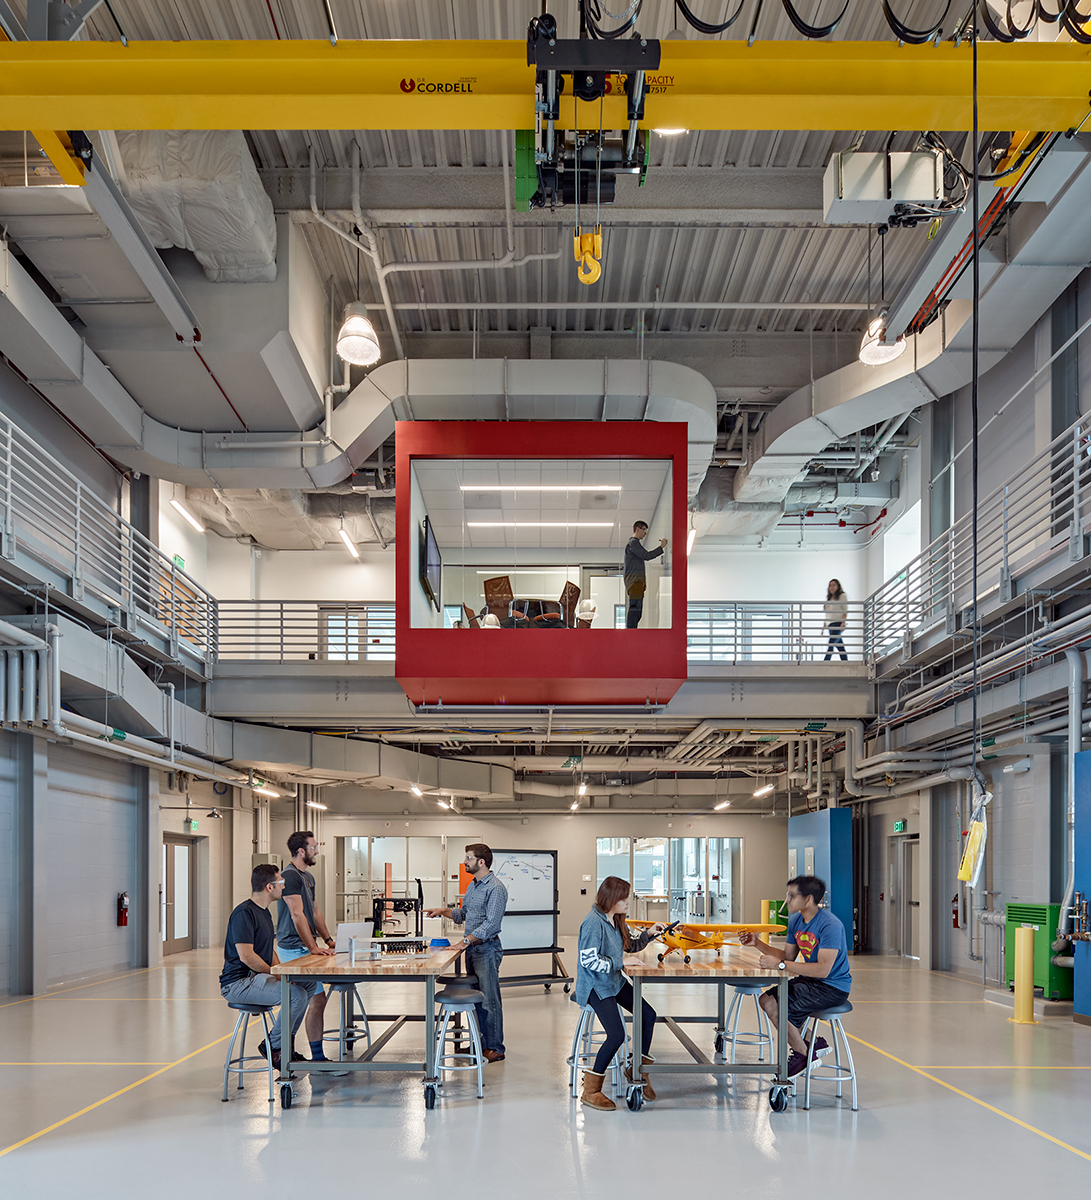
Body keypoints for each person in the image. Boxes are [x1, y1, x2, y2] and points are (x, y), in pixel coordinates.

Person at [738, 875, 852, 1077]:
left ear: (808, 899)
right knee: (766, 999)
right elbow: (788, 956)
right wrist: (757, 944)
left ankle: (803, 1054)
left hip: (832, 987)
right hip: (811, 982)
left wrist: (781, 965)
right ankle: (812, 1041)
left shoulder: (830, 925)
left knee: (781, 1009)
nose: (786, 900)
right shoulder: (797, 921)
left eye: (791, 895)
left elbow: (823, 970)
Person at [575, 876, 665, 1110]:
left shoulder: (616, 919)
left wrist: (649, 933)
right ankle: (591, 1090)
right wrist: (621, 962)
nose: (628, 903)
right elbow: (589, 961)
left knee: (648, 1015)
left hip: (613, 981)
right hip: (596, 985)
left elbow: (630, 945)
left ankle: (637, 1070)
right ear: (612, 899)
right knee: (616, 1036)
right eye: (624, 899)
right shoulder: (593, 923)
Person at [220, 863, 316, 1071]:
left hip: (257, 978)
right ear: (269, 887)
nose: (284, 886)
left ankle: (285, 1046)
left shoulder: (264, 912)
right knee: (295, 995)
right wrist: (275, 973)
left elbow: (268, 951)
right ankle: (273, 1045)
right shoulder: (244, 913)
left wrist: (283, 971)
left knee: (308, 984)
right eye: (281, 882)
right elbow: (247, 957)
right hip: (239, 983)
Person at [426, 843, 508, 1062]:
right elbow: (463, 914)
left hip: (487, 949)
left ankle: (495, 1048)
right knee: (478, 1000)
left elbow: (491, 924)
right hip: (473, 949)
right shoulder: (473, 886)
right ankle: (480, 1045)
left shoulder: (496, 888)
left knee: (489, 1000)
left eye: (468, 858)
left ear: (481, 862)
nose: (465, 862)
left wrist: (463, 942)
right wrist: (442, 911)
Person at [275, 831, 337, 1062]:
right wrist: (312, 948)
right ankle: (279, 1047)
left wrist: (329, 940)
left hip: (305, 946)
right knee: (300, 1000)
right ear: (301, 851)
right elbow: (296, 914)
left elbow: (315, 912)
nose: (317, 851)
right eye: (313, 847)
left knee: (315, 1000)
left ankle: (309, 1055)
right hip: (292, 947)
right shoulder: (289, 876)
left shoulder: (308, 877)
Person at [624, 521, 667, 628]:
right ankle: (631, 634)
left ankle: (632, 632)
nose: (645, 533)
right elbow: (646, 555)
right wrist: (661, 547)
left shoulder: (632, 544)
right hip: (635, 581)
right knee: (635, 610)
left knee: (637, 611)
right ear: (637, 529)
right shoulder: (633, 543)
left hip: (635, 582)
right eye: (644, 530)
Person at [823, 578, 849, 660]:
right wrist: (824, 624)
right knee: (839, 645)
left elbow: (845, 610)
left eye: (834, 585)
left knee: (831, 643)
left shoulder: (842, 596)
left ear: (838, 586)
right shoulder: (829, 599)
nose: (832, 587)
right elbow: (828, 614)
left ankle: (825, 661)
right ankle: (845, 661)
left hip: (838, 623)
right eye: (830, 585)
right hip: (830, 624)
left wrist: (843, 622)